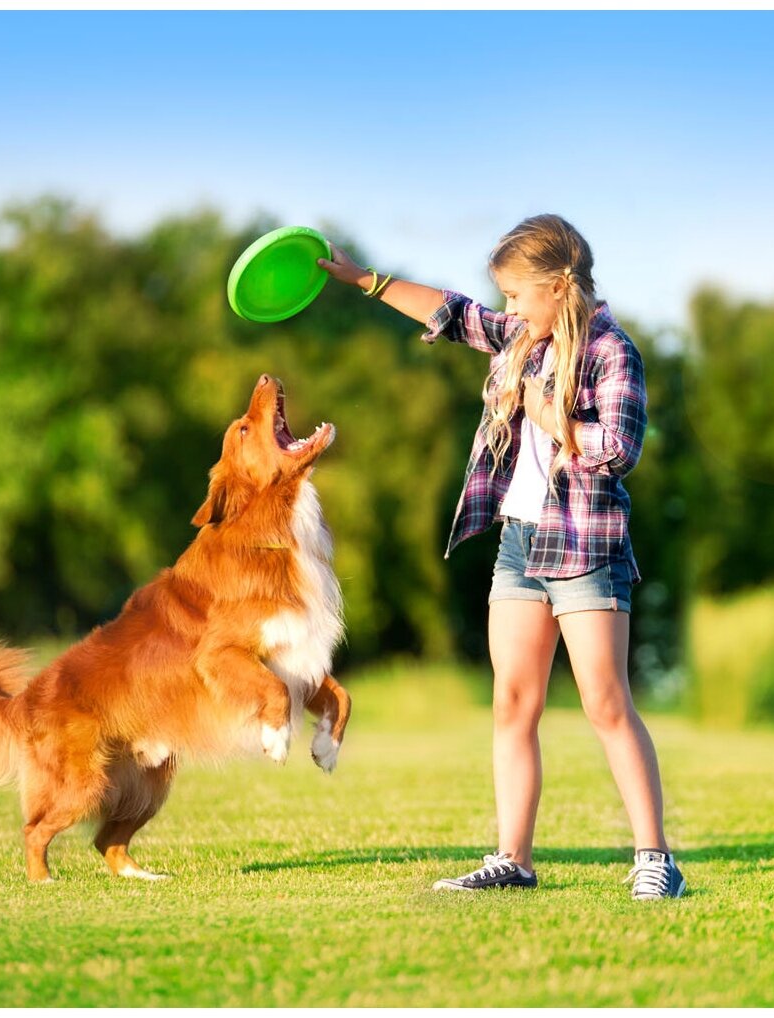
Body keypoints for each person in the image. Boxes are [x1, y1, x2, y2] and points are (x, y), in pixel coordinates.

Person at [317, 214, 685, 900]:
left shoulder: (612, 351)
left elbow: (621, 449)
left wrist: (552, 419)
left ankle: (655, 857)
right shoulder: (522, 336)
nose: (507, 309)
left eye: (516, 295)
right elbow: (452, 314)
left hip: (583, 547)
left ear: (557, 288)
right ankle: (513, 859)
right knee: (512, 704)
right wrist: (363, 280)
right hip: (518, 545)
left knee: (606, 703)